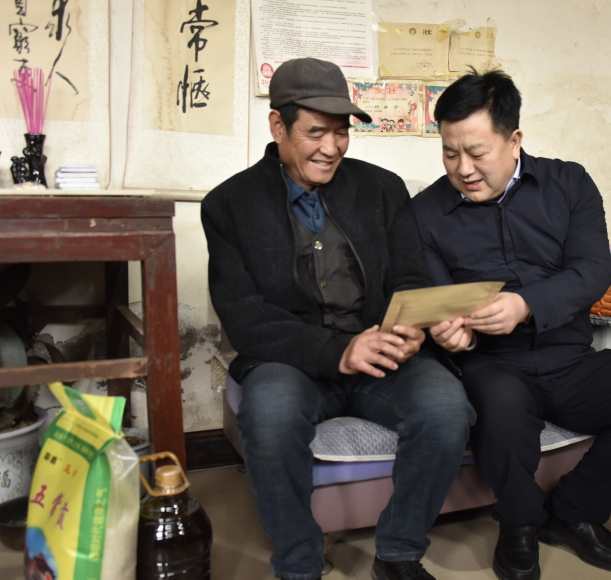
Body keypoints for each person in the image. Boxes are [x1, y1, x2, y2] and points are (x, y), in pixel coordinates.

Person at [413, 70, 611, 580]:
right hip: (491, 362)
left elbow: (592, 271)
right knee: (501, 408)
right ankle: (518, 524)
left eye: (476, 152)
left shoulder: (569, 184)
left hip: (570, 357)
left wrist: (525, 305)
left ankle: (572, 511)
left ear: (514, 139)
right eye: (449, 153)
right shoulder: (425, 212)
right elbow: (436, 301)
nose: (463, 168)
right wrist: (447, 330)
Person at [201, 57, 475, 580]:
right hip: (290, 361)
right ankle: (299, 563)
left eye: (342, 132)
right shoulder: (229, 204)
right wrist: (337, 352)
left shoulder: (383, 189)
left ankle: (399, 552)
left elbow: (409, 277)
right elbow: (244, 316)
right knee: (271, 415)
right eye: (315, 132)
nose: (332, 147)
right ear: (278, 126)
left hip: (381, 353)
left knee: (446, 407)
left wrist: (410, 326)